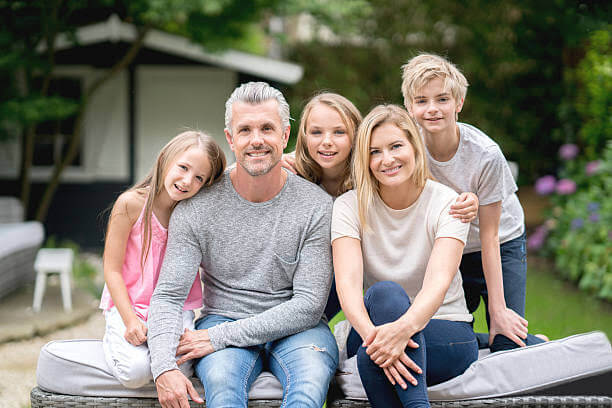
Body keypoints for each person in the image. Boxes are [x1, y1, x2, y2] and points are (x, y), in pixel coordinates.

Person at [148, 81, 339, 408]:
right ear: (230, 138)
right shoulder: (196, 207)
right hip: (222, 317)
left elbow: (308, 305)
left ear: (284, 135)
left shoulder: (316, 206)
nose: (257, 140)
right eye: (245, 129)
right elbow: (168, 295)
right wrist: (163, 367)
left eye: (267, 128)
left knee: (309, 386)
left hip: (298, 330)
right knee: (222, 388)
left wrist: (219, 338)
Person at [332, 104, 478, 408]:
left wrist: (400, 332)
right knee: (385, 294)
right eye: (374, 152)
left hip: (446, 326)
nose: (387, 159)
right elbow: (347, 286)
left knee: (370, 360)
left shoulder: (448, 203)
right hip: (369, 328)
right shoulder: (348, 207)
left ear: (414, 146)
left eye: (396, 146)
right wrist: (379, 339)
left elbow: (438, 282)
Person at [285, 92, 478, 320]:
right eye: (316, 132)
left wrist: (469, 199)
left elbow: (418, 184)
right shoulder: (293, 173)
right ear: (304, 136)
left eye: (339, 132)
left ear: (359, 138)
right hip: (307, 274)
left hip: (384, 282)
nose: (327, 141)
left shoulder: (374, 176)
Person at [401, 53, 546, 351]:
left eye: (442, 99)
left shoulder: (485, 155)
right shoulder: (405, 148)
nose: (432, 109)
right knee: (449, 340)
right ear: (409, 107)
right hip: (450, 248)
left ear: (459, 104)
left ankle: (527, 342)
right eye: (421, 101)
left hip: (500, 243)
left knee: (506, 338)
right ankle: (526, 342)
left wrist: (498, 310)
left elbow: (490, 236)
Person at [99, 130, 226, 388]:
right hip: (131, 306)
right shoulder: (130, 204)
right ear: (165, 159)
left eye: (199, 178)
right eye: (183, 167)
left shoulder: (192, 213)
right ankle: (112, 340)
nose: (187, 180)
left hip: (175, 309)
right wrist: (130, 321)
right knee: (135, 373)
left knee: (184, 367)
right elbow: (111, 270)